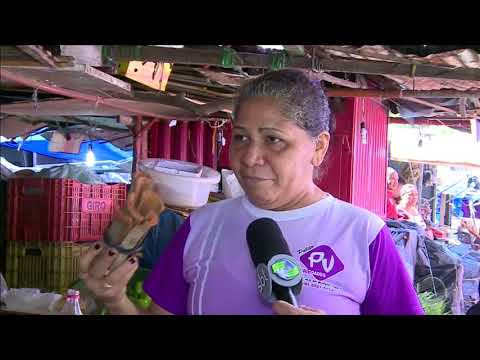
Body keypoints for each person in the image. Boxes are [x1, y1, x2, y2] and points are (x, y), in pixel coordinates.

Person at [79, 69, 423, 315]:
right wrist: (115, 300)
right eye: (241, 137)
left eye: (273, 139)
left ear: (318, 147)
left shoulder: (362, 234)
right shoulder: (201, 226)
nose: (249, 157)